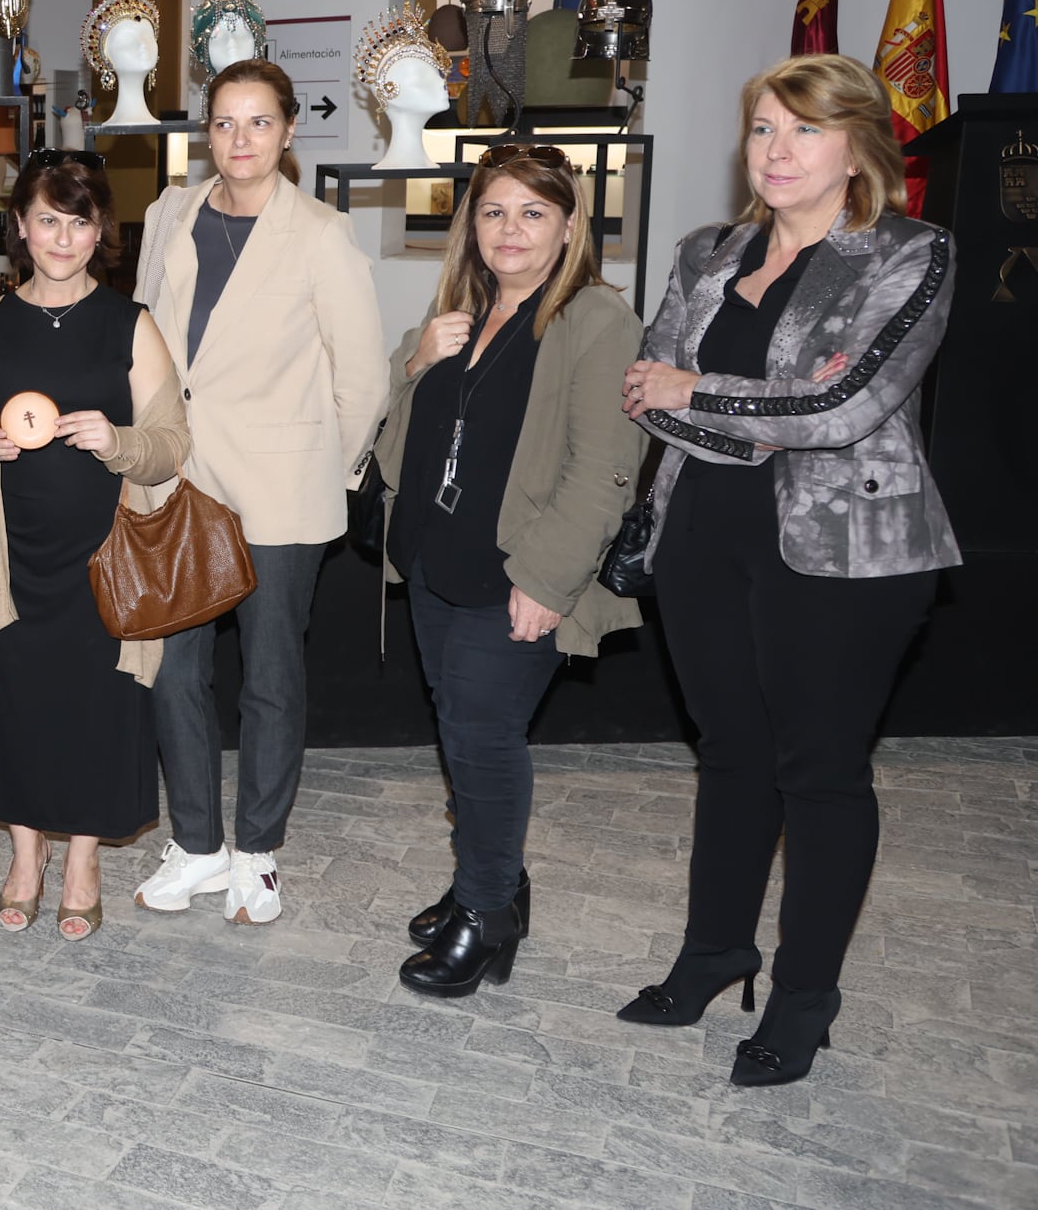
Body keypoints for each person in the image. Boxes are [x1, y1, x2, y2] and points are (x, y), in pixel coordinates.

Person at [617, 55, 958, 1087]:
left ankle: (806, 994)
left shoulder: (908, 254)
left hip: (846, 551)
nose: (773, 150)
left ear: (855, 145)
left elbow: (849, 408)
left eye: (799, 130)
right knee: (728, 752)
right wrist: (765, 411)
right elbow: (646, 386)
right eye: (761, 129)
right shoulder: (704, 251)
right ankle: (714, 948)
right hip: (700, 532)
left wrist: (708, 391)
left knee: (817, 770)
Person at [372, 145, 643, 995]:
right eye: (493, 211)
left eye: (533, 212)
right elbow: (396, 443)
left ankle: (486, 917)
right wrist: (415, 363)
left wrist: (547, 581)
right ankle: (487, 883)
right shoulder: (460, 309)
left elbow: (605, 468)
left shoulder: (597, 320)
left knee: (485, 741)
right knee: (459, 730)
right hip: (434, 560)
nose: (510, 229)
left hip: (517, 576)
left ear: (569, 226)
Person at [128, 58, 387, 924]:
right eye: (225, 123)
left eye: (259, 123)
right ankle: (197, 844)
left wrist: (323, 467)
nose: (240, 139)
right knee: (174, 673)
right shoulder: (170, 212)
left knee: (270, 678)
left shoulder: (320, 233)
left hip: (279, 493)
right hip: (178, 482)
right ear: (208, 131)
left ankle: (259, 852)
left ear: (286, 134)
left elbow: (362, 378)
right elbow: (142, 340)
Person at [0, 150, 188, 943]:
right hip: (12, 556)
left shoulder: (131, 322)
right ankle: (26, 857)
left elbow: (171, 446)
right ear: (20, 227)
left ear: (100, 233)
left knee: (95, 709)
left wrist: (117, 438)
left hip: (105, 558)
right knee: (16, 702)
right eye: (46, 219)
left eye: (78, 220)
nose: (62, 236)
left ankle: (83, 859)